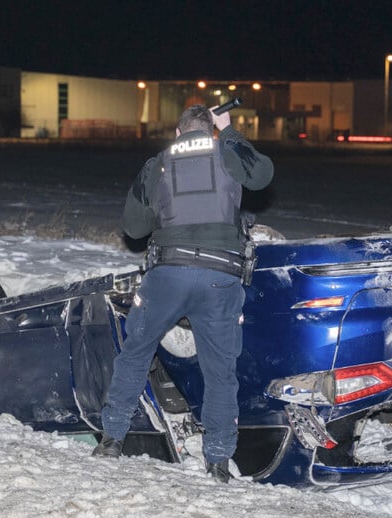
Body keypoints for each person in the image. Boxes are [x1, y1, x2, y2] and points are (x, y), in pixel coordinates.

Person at [92, 104, 274, 483]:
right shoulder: (226, 151)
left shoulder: (157, 164)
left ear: (177, 133)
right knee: (220, 371)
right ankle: (219, 461)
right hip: (219, 279)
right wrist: (230, 133)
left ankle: (112, 439)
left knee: (136, 352)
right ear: (210, 131)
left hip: (167, 276)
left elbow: (133, 227)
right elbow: (262, 175)